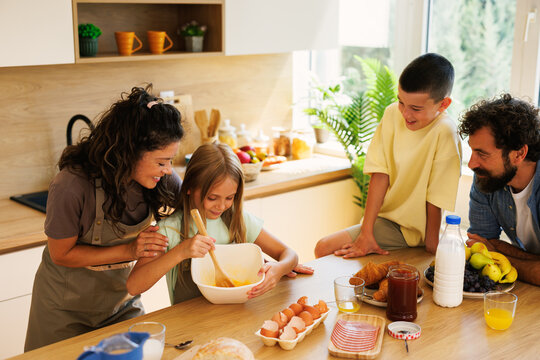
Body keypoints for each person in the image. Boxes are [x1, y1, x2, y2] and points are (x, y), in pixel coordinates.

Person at [25, 85, 184, 351]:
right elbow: (61, 254)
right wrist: (131, 249)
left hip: (121, 306)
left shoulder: (161, 181)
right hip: (62, 312)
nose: (168, 171)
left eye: (171, 161)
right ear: (130, 151)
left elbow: (197, 213)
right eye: (161, 162)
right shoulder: (71, 185)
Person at [315, 53, 462, 258]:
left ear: (443, 104)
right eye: (401, 102)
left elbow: (436, 198)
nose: (406, 114)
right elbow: (380, 175)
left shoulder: (445, 131)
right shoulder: (392, 114)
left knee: (324, 248)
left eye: (416, 108)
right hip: (385, 222)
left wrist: (432, 249)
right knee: (323, 247)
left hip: (412, 232)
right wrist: (366, 232)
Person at [126, 143, 312, 304]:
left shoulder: (237, 219)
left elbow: (289, 254)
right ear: (189, 187)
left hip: (240, 314)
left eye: (229, 197)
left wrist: (278, 270)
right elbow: (134, 286)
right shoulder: (170, 230)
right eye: (212, 197)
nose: (221, 206)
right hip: (192, 324)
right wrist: (181, 252)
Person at [458, 93, 540, 286]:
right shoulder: (487, 179)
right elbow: (480, 246)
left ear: (519, 153)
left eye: (482, 153)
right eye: (472, 150)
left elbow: (488, 254)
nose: (471, 163)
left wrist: (498, 254)